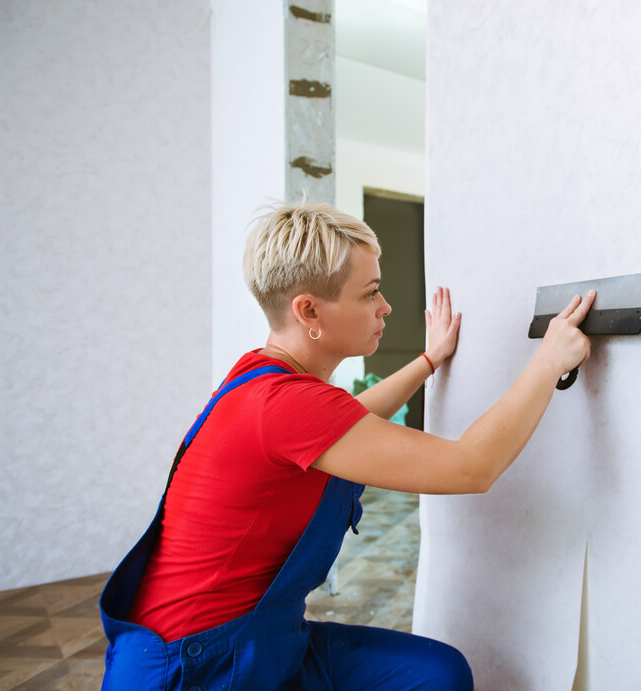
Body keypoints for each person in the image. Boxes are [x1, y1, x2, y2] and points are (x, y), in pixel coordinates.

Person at [99, 202, 596, 690]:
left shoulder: (261, 377)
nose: (385, 307)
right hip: (194, 667)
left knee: (437, 674)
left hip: (256, 641)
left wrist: (429, 359)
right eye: (370, 294)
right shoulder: (285, 405)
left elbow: (349, 418)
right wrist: (548, 361)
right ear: (308, 310)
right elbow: (472, 468)